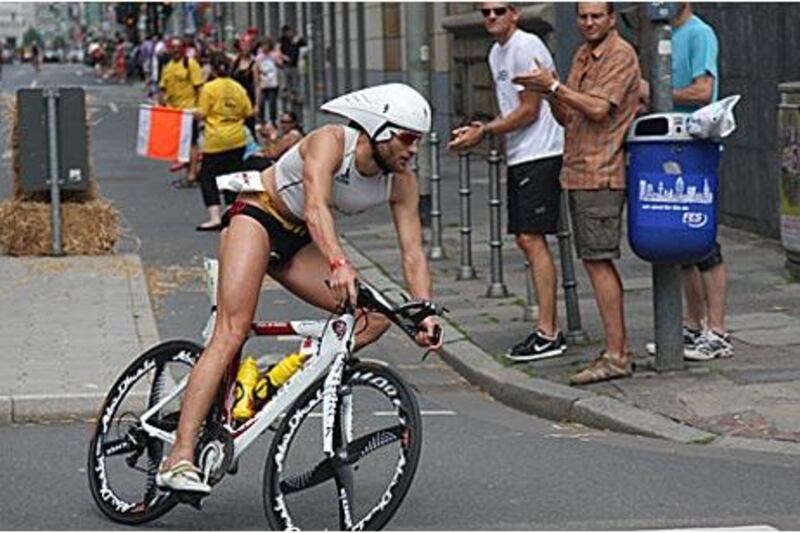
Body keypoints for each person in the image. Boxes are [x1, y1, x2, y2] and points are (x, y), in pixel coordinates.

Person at [155, 83, 443, 493]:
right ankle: (179, 457)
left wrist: (422, 310)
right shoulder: (329, 142)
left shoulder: (402, 182)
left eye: (419, 142)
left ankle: (282, 377)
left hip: (300, 244)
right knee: (233, 331)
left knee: (375, 317)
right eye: (408, 139)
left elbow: (413, 252)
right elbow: (315, 207)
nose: (413, 150)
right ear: (379, 130)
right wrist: (339, 262)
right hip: (259, 216)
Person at [513, 2, 641, 385]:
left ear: (612, 18)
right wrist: (551, 93)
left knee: (599, 260)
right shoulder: (583, 54)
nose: (588, 23)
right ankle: (613, 350)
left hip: (601, 172)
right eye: (582, 16)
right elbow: (568, 117)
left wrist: (554, 87)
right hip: (579, 170)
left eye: (596, 16)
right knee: (592, 260)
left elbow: (600, 110)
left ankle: (618, 354)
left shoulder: (620, 54)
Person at [449, 2, 567, 362]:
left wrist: (484, 131)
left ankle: (549, 331)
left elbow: (530, 110)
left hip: (541, 151)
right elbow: (511, 108)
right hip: (521, 153)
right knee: (524, 237)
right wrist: (483, 130)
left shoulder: (526, 46)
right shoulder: (496, 53)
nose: (491, 18)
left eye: (499, 11)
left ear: (515, 13)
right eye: (485, 12)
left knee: (533, 237)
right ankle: (547, 326)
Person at [642, 3, 731, 361]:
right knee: (683, 244)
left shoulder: (698, 33)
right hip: (673, 146)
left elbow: (703, 91)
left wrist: (656, 93)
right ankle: (695, 327)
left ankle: (718, 331)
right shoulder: (665, 33)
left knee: (704, 239)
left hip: (695, 148)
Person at [193, 52, 254, 230]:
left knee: (208, 177)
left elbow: (202, 113)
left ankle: (214, 216)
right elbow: (248, 112)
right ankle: (231, 212)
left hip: (216, 140)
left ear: (212, 68)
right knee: (231, 176)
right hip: (237, 139)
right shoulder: (238, 87)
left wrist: (191, 112)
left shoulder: (209, 88)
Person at [159, 37, 204, 187]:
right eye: (173, 47)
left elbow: (199, 88)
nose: (176, 50)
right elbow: (162, 88)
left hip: (189, 111)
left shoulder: (191, 64)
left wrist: (200, 108)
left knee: (191, 143)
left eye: (179, 47)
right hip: (173, 113)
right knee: (181, 146)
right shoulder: (168, 67)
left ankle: (192, 174)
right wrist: (161, 105)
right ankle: (189, 173)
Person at [278, 25, 307, 116]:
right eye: (286, 32)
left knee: (296, 85)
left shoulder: (298, 40)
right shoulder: (282, 40)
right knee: (285, 86)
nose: (288, 34)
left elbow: (305, 47)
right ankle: (285, 107)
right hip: (286, 66)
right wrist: (283, 57)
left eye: (289, 31)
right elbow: (278, 50)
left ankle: (296, 97)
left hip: (295, 66)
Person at [231, 39, 258, 136]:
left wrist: (257, 104)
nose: (245, 48)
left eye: (247, 46)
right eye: (243, 46)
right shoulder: (234, 63)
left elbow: (257, 85)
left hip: (248, 98)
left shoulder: (254, 64)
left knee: (249, 125)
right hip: (235, 98)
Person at [254, 37, 283, 125]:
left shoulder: (274, 55)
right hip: (263, 83)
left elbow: (280, 64)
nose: (264, 48)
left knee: (272, 103)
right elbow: (256, 68)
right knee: (261, 102)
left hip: (273, 83)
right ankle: (261, 120)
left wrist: (276, 60)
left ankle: (272, 120)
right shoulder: (259, 57)